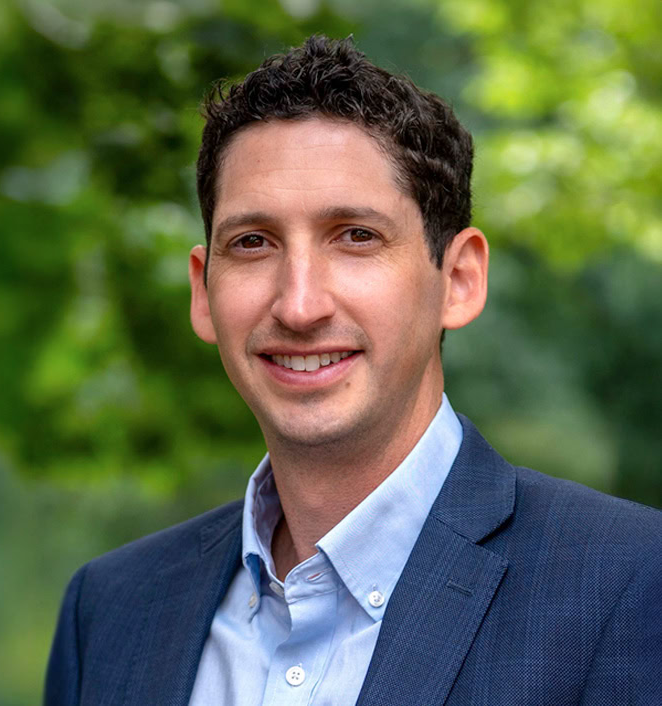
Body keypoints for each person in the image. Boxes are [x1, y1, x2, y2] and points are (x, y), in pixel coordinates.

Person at [45, 36, 662, 706]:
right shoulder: (108, 614)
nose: (299, 305)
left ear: (459, 280)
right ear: (203, 290)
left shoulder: (630, 584)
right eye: (253, 243)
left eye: (356, 237)